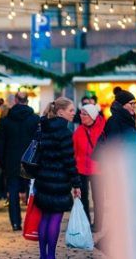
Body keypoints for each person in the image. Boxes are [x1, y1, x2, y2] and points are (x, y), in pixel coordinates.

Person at [34, 97, 82, 259]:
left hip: (43, 179)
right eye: (71, 110)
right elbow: (69, 160)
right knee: (55, 218)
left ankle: (42, 255)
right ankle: (51, 256)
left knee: (44, 218)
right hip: (59, 180)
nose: (73, 113)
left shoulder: (42, 128)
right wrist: (76, 183)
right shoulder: (64, 132)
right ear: (60, 112)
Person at [0, 91, 40, 231]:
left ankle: (15, 222)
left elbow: (0, 145)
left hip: (12, 161)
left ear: (15, 100)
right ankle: (33, 221)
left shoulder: (6, 121)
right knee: (33, 190)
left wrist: (2, 163)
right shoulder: (34, 119)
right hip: (31, 160)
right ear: (27, 101)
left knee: (13, 191)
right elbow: (38, 141)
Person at [73, 104, 105, 232]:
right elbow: (74, 151)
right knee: (83, 196)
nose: (81, 116)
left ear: (92, 116)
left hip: (99, 169)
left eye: (84, 114)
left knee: (98, 198)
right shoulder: (78, 131)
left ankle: (98, 225)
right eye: (80, 113)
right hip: (82, 169)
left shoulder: (103, 129)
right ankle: (86, 222)